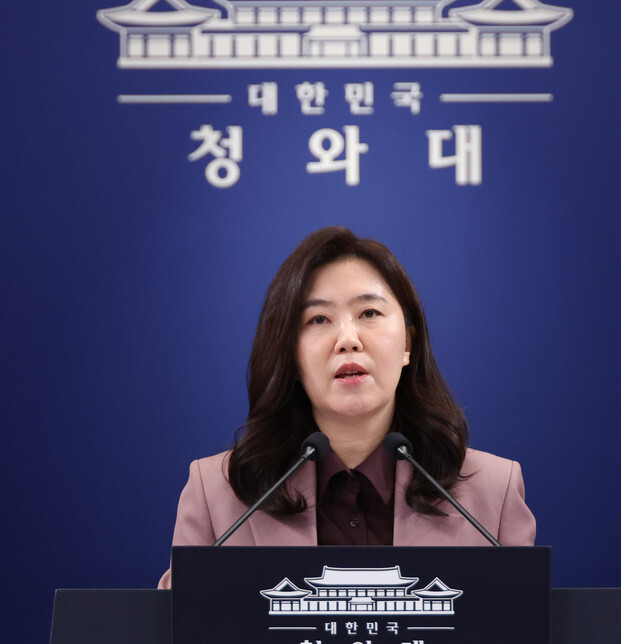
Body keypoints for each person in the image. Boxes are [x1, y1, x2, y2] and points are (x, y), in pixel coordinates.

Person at [158, 227, 534, 588]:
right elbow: (178, 627)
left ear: (408, 343)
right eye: (319, 319)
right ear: (290, 356)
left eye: (369, 313)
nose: (348, 340)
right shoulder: (218, 494)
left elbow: (522, 626)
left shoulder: (492, 492)